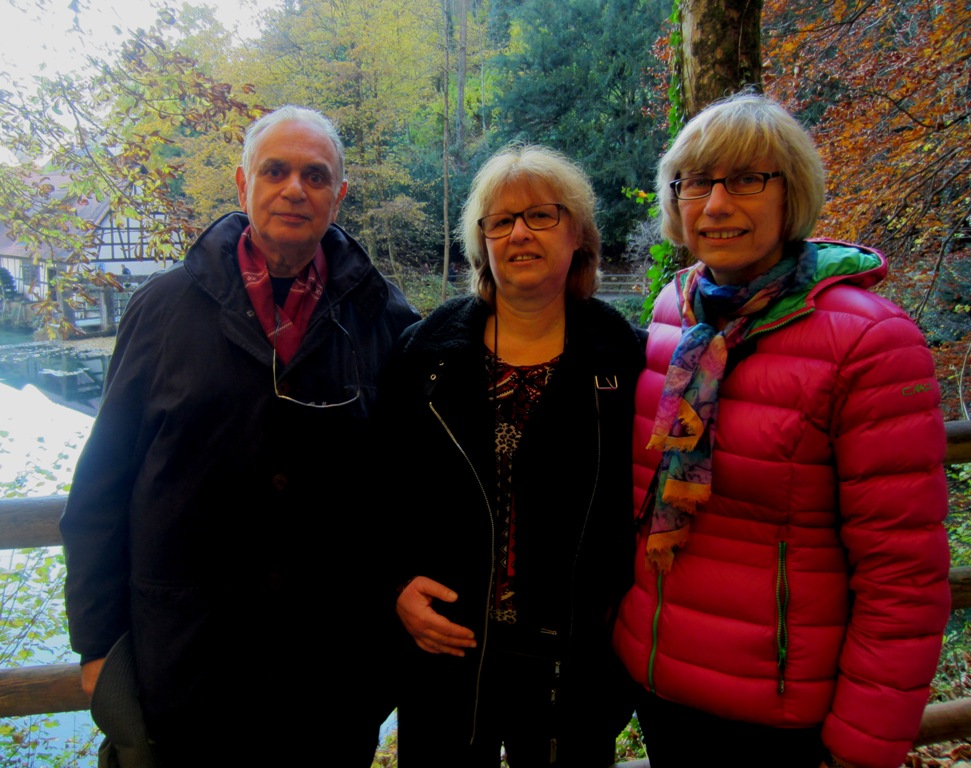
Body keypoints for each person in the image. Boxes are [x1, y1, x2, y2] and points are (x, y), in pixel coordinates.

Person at [60, 105, 419, 766]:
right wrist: (97, 643)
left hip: (329, 673)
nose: (294, 189)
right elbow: (101, 487)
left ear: (338, 195)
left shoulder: (382, 318)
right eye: (275, 170)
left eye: (315, 176)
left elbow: (407, 487)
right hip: (190, 664)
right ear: (241, 182)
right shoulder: (165, 309)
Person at [612, 92, 951, 768]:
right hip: (662, 681)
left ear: (790, 193)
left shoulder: (870, 341)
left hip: (780, 714)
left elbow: (902, 574)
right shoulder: (674, 312)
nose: (714, 204)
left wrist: (864, 742)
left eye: (745, 179)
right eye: (696, 182)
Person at [379, 144, 643, 766]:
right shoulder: (424, 355)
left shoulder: (626, 360)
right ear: (481, 241)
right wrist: (394, 585)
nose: (519, 232)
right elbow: (380, 488)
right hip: (447, 648)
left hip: (574, 657)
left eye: (542, 215)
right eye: (500, 220)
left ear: (577, 233)